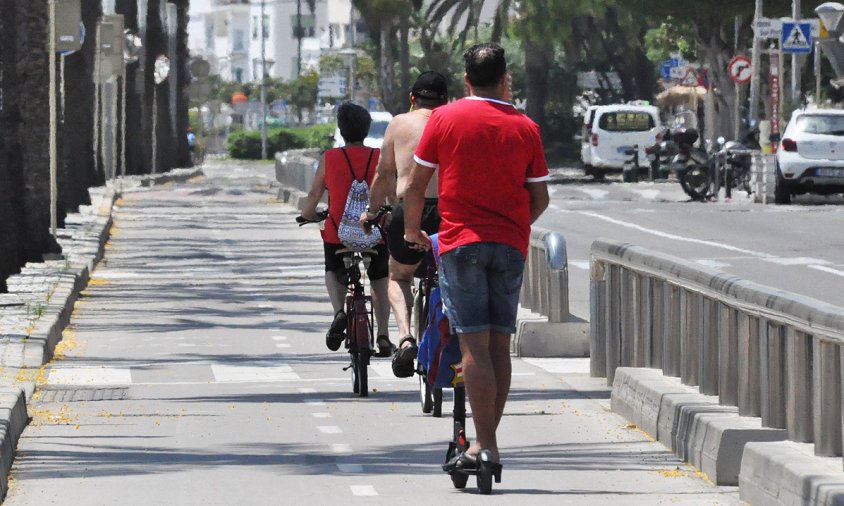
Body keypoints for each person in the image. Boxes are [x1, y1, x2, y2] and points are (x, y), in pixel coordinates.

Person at [403, 43, 550, 470]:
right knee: (500, 345)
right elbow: (539, 196)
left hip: (460, 244)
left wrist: (413, 230)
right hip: (508, 246)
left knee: (473, 346)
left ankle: (482, 446)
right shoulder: (525, 127)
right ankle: (487, 441)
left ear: (466, 79)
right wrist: (516, 224)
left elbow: (416, 184)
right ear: (506, 79)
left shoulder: (445, 118)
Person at [360, 71, 449, 377]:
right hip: (450, 213)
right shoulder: (454, 121)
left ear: (413, 99)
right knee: (455, 270)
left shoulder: (399, 123)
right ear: (446, 100)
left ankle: (405, 337)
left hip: (410, 210)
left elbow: (383, 174)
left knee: (399, 275)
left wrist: (371, 213)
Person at [301, 102, 393, 356]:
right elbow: (392, 194)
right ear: (366, 129)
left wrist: (307, 215)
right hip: (374, 232)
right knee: (379, 280)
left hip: (337, 233)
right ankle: (384, 335)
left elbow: (314, 193)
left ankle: (339, 312)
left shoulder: (330, 158)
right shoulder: (378, 157)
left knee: (333, 267)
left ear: (341, 131)